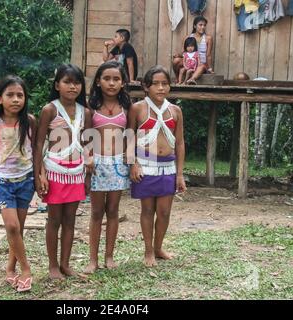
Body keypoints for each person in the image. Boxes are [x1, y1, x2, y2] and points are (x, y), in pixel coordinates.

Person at [34, 64, 92, 280]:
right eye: (67, 82)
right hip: (54, 171)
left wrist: (87, 174)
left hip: (76, 171)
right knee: (54, 220)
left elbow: (87, 143)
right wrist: (40, 174)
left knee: (70, 220)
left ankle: (66, 264)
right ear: (57, 85)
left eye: (76, 83)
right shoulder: (50, 109)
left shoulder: (85, 112)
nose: (72, 87)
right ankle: (52, 266)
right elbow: (39, 144)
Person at [127, 66, 187, 267]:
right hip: (145, 165)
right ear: (146, 86)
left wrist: (180, 174)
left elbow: (179, 143)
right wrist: (133, 163)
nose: (161, 88)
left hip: (168, 167)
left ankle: (159, 247)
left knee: (164, 211)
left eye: (165, 83)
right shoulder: (137, 109)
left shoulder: (175, 111)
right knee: (147, 210)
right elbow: (129, 137)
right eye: (156, 84)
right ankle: (148, 250)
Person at [0, 75, 37, 292]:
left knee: (18, 229)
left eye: (20, 95)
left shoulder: (29, 121)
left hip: (25, 180)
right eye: (10, 95)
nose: (16, 99)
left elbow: (36, 150)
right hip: (2, 181)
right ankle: (26, 270)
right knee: (12, 226)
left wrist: (38, 176)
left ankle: (9, 268)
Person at [83, 61, 132, 274]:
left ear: (123, 83)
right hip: (97, 164)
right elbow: (85, 138)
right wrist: (88, 158)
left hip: (118, 164)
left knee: (113, 211)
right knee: (96, 212)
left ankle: (109, 256)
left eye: (116, 79)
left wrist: (131, 162)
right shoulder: (89, 108)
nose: (111, 83)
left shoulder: (127, 108)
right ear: (98, 82)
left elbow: (130, 137)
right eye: (106, 78)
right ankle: (92, 259)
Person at [172, 16, 214, 84]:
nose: (203, 27)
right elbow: (184, 52)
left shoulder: (208, 38)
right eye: (200, 25)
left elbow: (208, 55)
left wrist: (210, 69)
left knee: (202, 66)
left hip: (200, 64)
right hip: (189, 62)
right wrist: (178, 55)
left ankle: (191, 79)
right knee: (176, 60)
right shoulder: (188, 37)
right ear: (195, 26)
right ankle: (178, 79)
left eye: (204, 25)